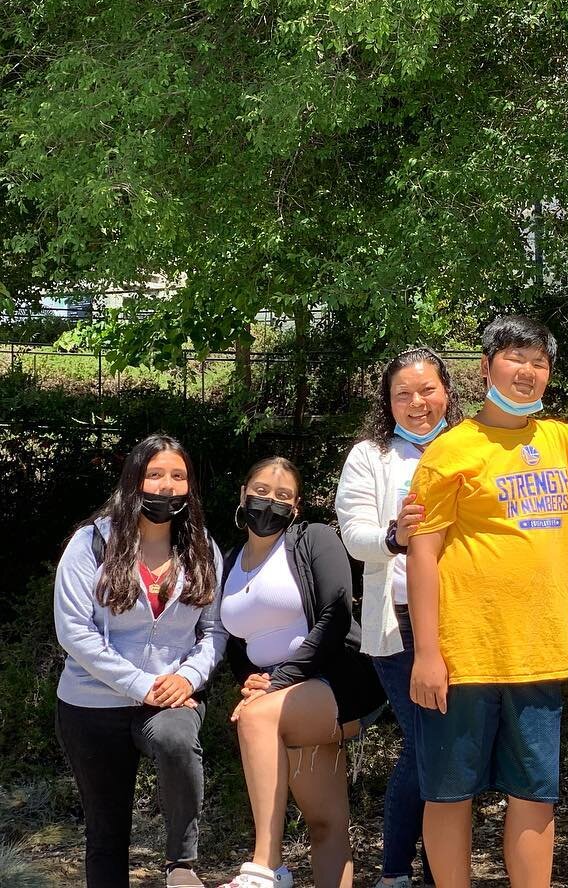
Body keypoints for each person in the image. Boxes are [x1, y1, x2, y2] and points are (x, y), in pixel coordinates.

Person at [406, 314, 568, 888]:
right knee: (448, 792)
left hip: (541, 652)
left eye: (540, 363)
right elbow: (422, 555)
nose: (529, 372)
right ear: (486, 367)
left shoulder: (562, 441)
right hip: (462, 655)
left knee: (535, 794)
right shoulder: (450, 451)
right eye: (517, 358)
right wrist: (426, 653)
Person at [53, 434, 225, 888]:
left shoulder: (203, 547)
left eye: (178, 476)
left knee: (176, 741)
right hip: (91, 706)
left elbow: (214, 631)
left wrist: (188, 677)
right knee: (106, 835)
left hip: (169, 700)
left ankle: (180, 864)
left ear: (190, 487)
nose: (166, 486)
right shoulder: (90, 543)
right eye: (154, 474)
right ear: (133, 480)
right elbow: (74, 632)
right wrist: (138, 683)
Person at [217, 457, 385, 888]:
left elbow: (336, 613)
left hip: (340, 679)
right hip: (283, 692)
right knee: (326, 823)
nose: (269, 501)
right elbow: (237, 638)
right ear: (242, 495)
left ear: (296, 507)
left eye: (282, 496)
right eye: (260, 491)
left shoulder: (314, 538)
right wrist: (254, 678)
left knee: (255, 717)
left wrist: (278, 681)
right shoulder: (230, 561)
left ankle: (265, 867)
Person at [338, 347, 465, 888]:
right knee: (426, 743)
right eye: (402, 394)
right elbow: (354, 534)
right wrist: (396, 536)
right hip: (400, 620)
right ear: (387, 403)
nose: (417, 403)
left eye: (428, 390)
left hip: (467, 621)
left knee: (449, 744)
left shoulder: (473, 446)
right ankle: (397, 872)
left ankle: (434, 870)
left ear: (448, 393)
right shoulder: (370, 456)